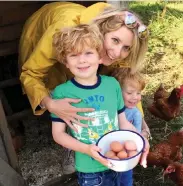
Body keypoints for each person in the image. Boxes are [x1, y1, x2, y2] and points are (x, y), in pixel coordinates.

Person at [18, 2, 149, 174]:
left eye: (126, 48)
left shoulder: (117, 50)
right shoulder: (63, 29)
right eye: (115, 40)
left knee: (86, 81)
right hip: (43, 26)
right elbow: (31, 73)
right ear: (102, 30)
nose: (117, 53)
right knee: (60, 87)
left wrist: (141, 127)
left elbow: (126, 84)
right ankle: (72, 145)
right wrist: (50, 103)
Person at [50, 24, 148, 186]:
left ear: (99, 56)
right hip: (90, 169)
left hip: (121, 164)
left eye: (88, 53)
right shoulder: (62, 92)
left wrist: (139, 140)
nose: (82, 60)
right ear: (65, 62)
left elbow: (122, 122)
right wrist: (86, 149)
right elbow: (58, 134)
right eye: (73, 55)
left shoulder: (112, 84)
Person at [112, 67, 151, 186]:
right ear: (117, 92)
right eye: (129, 93)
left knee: (126, 179)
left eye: (138, 93)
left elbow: (136, 135)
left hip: (127, 155)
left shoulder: (135, 113)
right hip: (110, 151)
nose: (135, 97)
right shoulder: (111, 109)